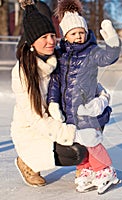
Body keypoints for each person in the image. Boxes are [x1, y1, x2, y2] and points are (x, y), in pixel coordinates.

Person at [11, 0, 101, 188]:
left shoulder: (59, 58)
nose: (51, 41)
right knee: (77, 151)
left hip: (58, 120)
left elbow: (83, 79)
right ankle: (27, 162)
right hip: (34, 130)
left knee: (94, 121)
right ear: (32, 42)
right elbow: (37, 119)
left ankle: (87, 168)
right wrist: (71, 133)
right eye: (44, 37)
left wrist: (100, 97)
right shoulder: (23, 72)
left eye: (53, 35)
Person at [47, 0, 121, 194]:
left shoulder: (92, 52)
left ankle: (105, 170)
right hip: (67, 110)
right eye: (74, 33)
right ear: (65, 35)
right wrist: (53, 102)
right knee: (77, 143)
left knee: (92, 141)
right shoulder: (60, 55)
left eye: (81, 32)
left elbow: (108, 58)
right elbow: (55, 82)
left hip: (86, 108)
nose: (79, 36)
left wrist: (113, 42)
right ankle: (85, 170)